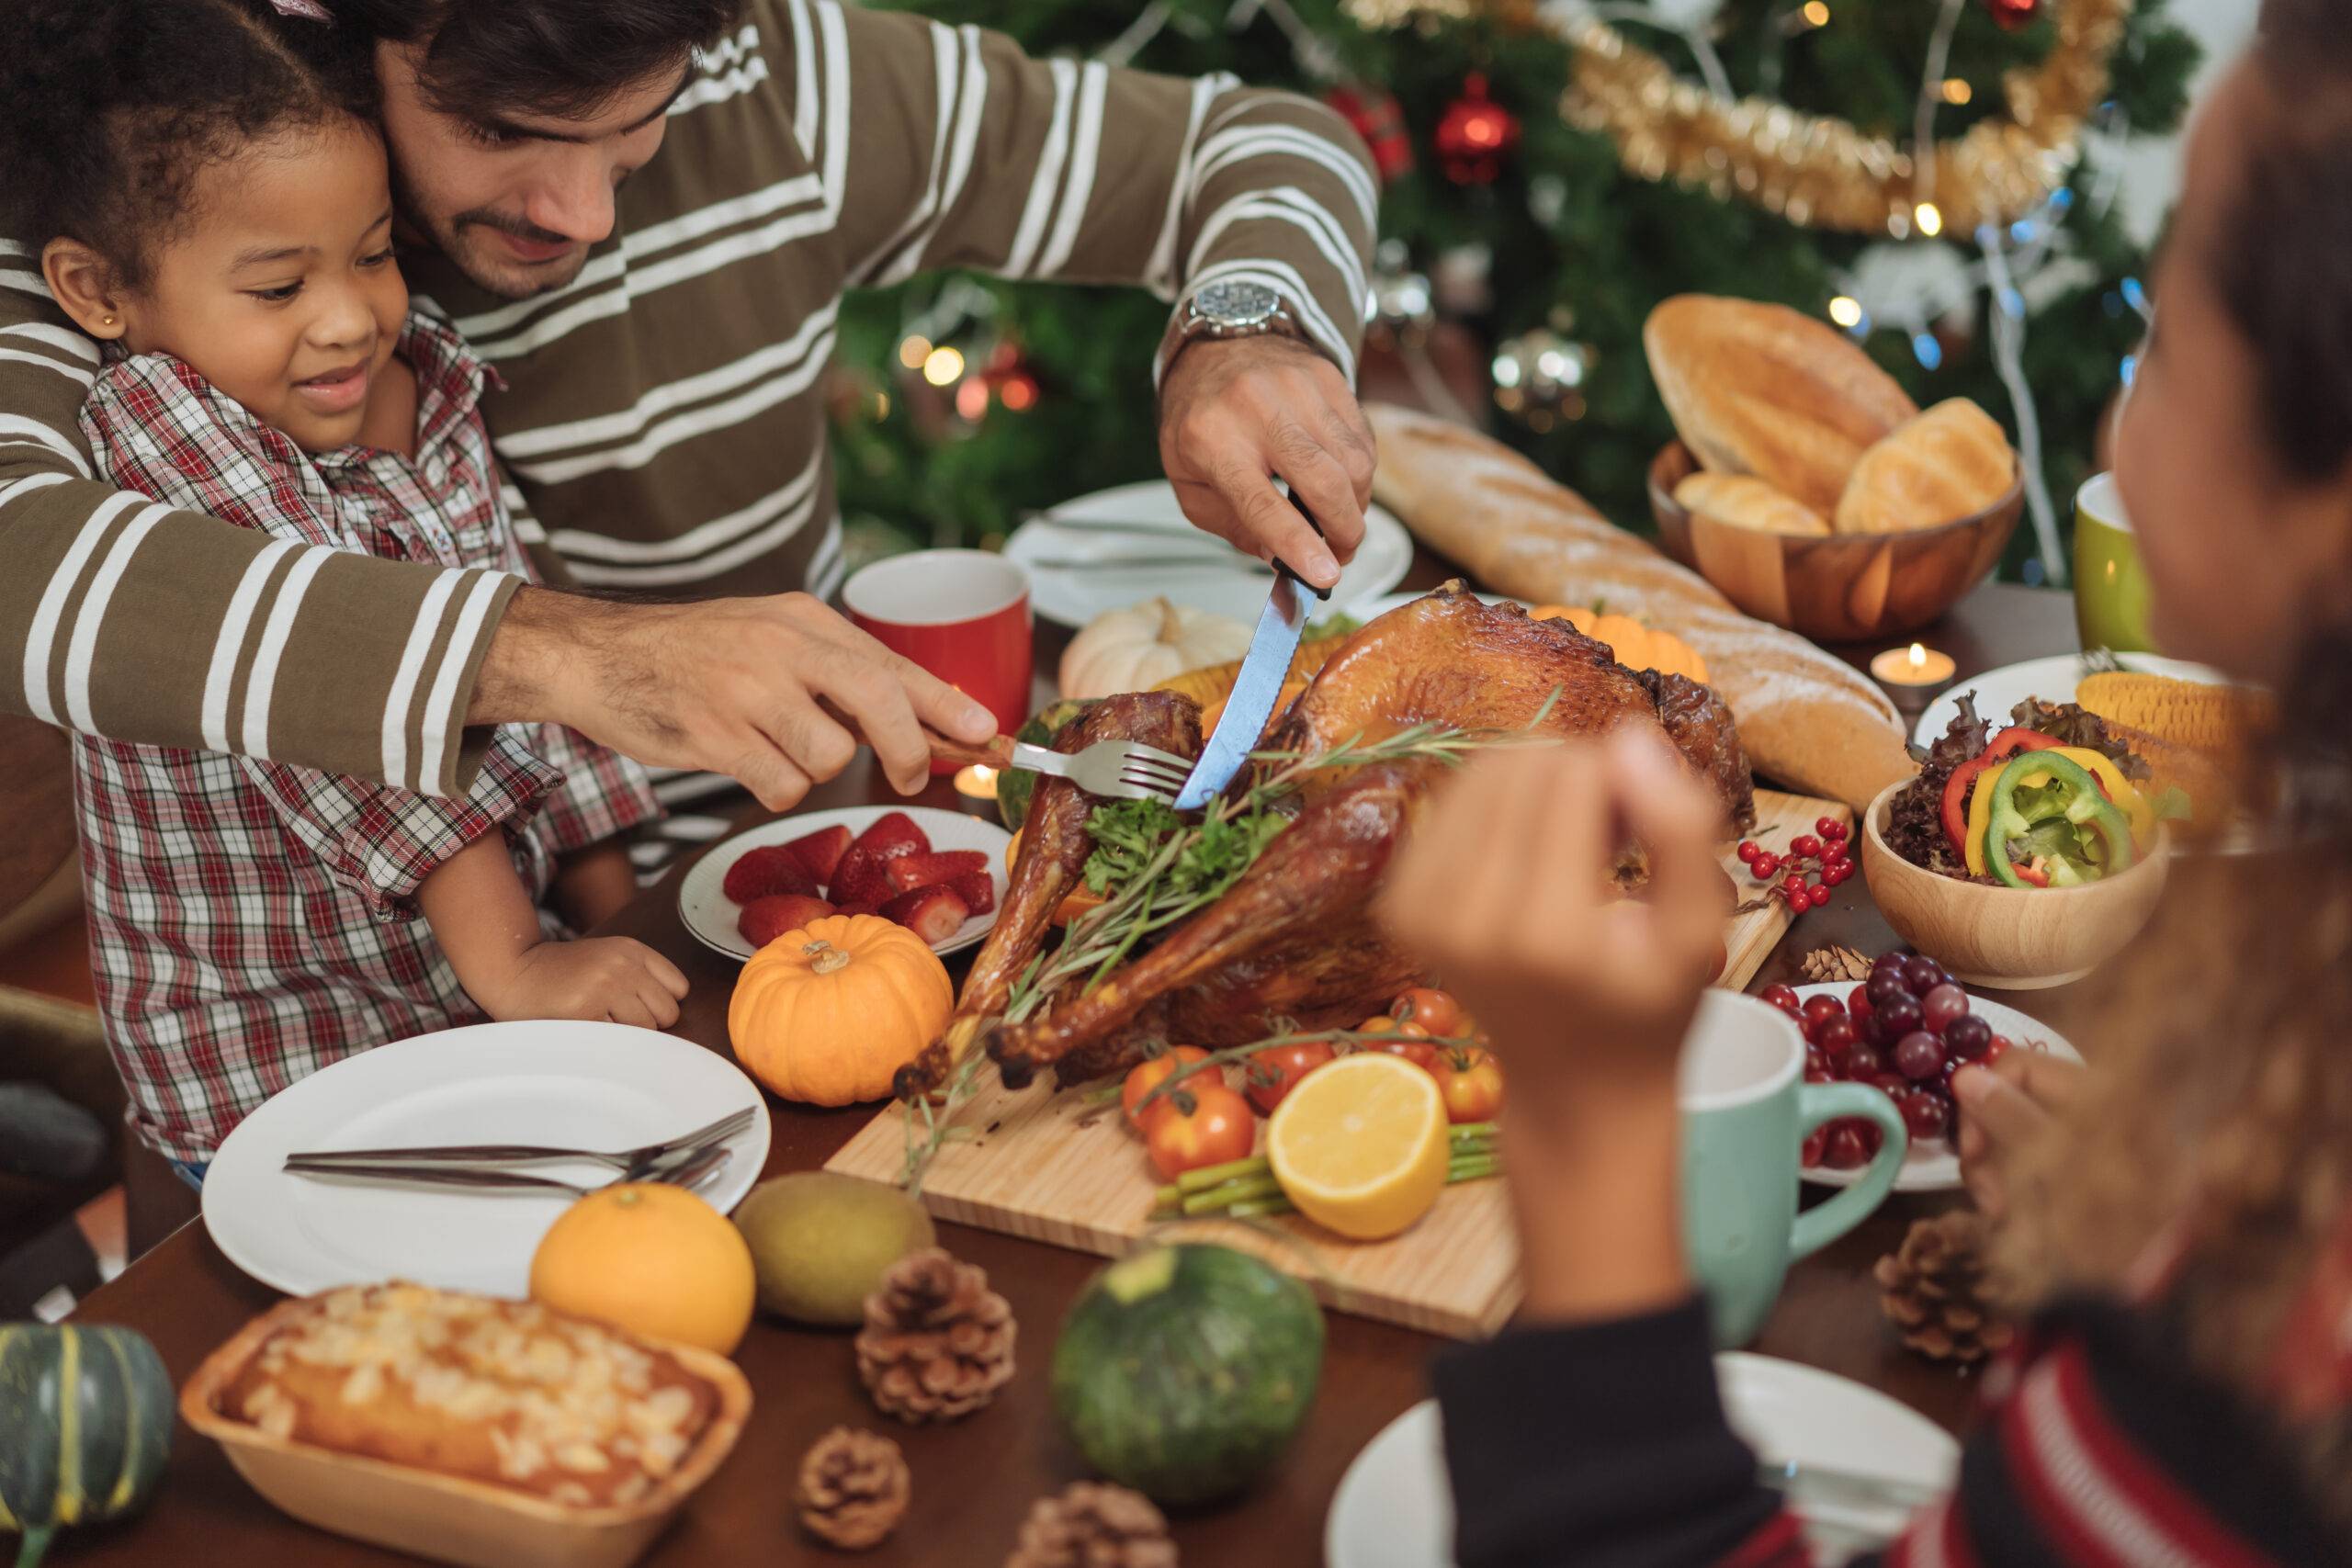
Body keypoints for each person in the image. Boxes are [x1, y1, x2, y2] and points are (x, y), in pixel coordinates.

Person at [1374, 6, 2352, 1558]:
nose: (2113, 416)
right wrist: (2150, 1226)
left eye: (2167, 335)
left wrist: (1591, 1138)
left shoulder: (2264, 1342)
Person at [0, 0, 1379, 826]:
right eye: (506, 131)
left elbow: (1263, 138)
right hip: (349, 1054)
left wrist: (1243, 330)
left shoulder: (782, 83)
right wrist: (564, 655)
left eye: (636, 125)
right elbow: (19, 563)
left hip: (801, 918)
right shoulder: (152, 204)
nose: (582, 215)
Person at [0, 0, 692, 1176]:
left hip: (470, 1009)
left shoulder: (426, 379)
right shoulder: (167, 429)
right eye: (276, 288)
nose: (347, 319)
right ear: (98, 291)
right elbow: (362, 730)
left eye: (372, 254)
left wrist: (616, 908)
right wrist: (519, 966)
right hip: (284, 1074)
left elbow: (523, 656)